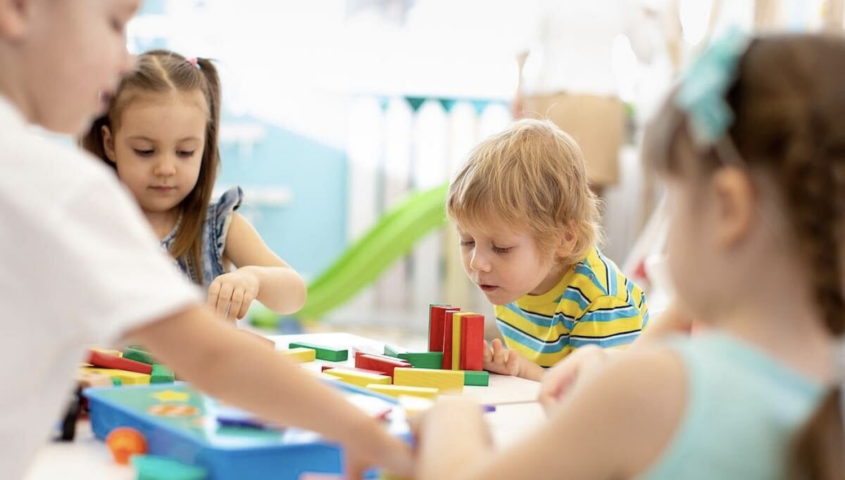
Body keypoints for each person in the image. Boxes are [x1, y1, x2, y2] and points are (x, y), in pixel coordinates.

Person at [0, 1, 411, 478]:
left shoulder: (211, 221)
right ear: (18, 8)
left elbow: (283, 297)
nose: (122, 58)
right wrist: (365, 435)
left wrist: (254, 281)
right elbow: (212, 356)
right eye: (113, 23)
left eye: (185, 150)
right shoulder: (63, 190)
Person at [417, 32, 844, 480]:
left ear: (727, 209)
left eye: (673, 200)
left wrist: (451, 417)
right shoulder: (824, 389)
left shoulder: (654, 391)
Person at [82, 49, 305, 322]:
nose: (166, 168)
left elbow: (295, 294)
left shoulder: (218, 225)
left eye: (185, 152)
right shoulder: (88, 223)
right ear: (109, 144)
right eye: (145, 150)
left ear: (204, 147)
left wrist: (254, 278)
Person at [446, 118, 648, 381]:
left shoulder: (601, 304)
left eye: (501, 247)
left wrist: (524, 370)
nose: (477, 263)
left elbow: (598, 400)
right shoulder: (513, 280)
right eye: (467, 241)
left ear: (564, 239)